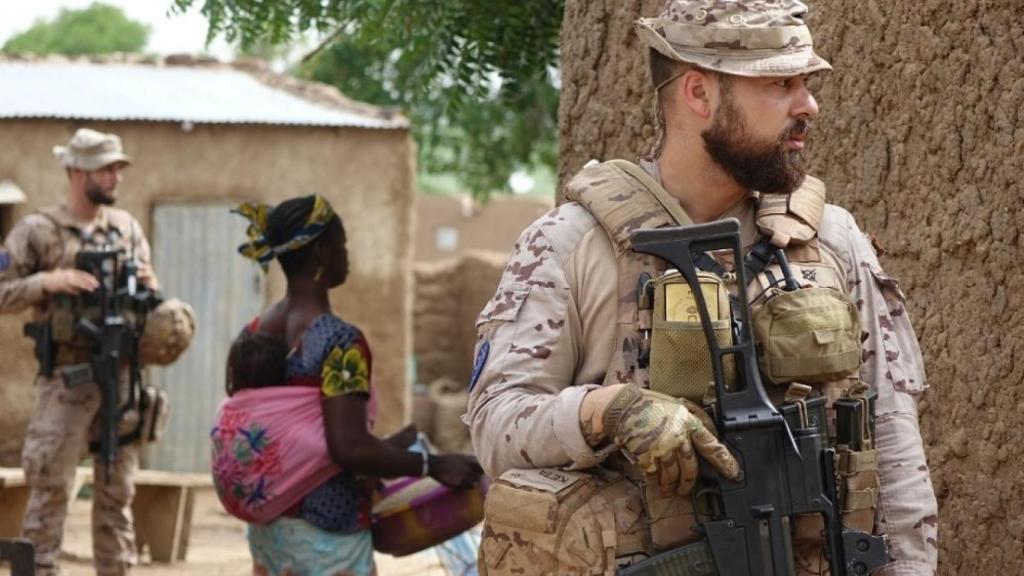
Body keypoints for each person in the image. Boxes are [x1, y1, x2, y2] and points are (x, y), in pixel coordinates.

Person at [465, 1, 938, 575]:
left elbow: (891, 441)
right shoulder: (573, 245)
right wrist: (605, 411)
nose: (807, 105)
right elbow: (495, 424)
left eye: (806, 83)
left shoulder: (831, 240)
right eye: (780, 83)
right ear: (699, 93)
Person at [221, 194, 482, 576]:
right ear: (320, 253)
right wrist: (433, 464)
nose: (346, 254)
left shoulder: (254, 333)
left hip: (270, 531)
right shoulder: (340, 341)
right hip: (329, 538)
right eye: (341, 243)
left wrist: (390, 447)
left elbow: (289, 439)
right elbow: (347, 448)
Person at [0, 128, 166, 576]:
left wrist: (151, 289)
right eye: (105, 169)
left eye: (117, 169)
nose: (115, 177)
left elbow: (148, 300)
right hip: (67, 382)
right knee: (50, 491)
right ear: (75, 171)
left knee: (118, 497)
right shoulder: (38, 231)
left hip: (122, 381)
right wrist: (46, 282)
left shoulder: (127, 229)